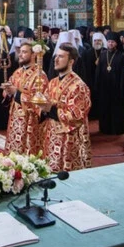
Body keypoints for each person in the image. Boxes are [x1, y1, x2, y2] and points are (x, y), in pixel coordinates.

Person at [37, 44, 92, 172]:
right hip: (51, 136)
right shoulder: (53, 82)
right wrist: (42, 108)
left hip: (69, 140)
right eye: (56, 56)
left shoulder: (79, 86)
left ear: (71, 61)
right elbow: (43, 109)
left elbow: (77, 116)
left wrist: (50, 109)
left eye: (61, 57)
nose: (56, 59)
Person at [3, 42, 48, 155]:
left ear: (33, 55)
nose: (20, 55)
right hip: (14, 118)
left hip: (29, 120)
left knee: (27, 153)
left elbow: (38, 101)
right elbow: (8, 94)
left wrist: (16, 93)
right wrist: (8, 92)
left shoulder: (39, 75)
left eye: (24, 52)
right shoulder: (17, 72)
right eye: (20, 52)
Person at [93, 32, 124, 135]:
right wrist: (97, 86)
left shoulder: (121, 56)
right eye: (109, 42)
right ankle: (105, 128)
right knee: (104, 108)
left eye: (112, 42)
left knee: (116, 109)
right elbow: (98, 72)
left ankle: (117, 129)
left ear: (116, 43)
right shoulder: (102, 55)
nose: (110, 44)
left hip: (117, 88)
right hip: (104, 87)